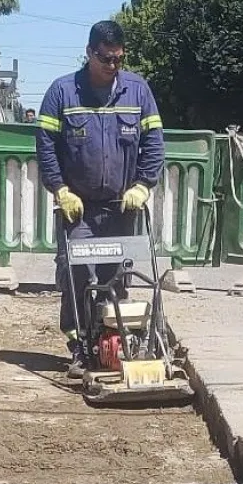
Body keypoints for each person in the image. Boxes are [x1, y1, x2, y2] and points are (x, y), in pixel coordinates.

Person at [36, 20, 165, 377]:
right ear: (90, 53)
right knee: (76, 275)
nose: (113, 67)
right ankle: (79, 346)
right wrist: (60, 189)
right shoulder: (63, 92)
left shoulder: (138, 92)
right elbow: (46, 148)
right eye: (106, 59)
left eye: (119, 60)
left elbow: (154, 144)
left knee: (117, 278)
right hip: (79, 208)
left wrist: (143, 185)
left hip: (121, 206)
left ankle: (114, 343)